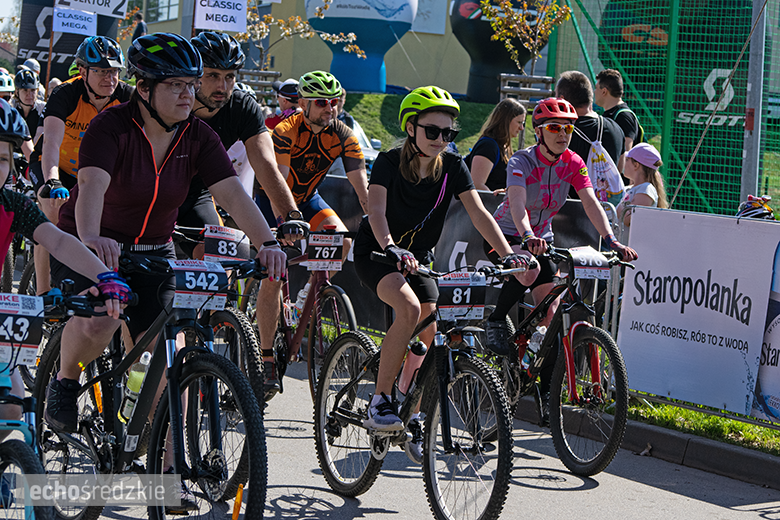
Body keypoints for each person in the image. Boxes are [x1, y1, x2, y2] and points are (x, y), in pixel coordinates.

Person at [42, 33, 286, 510]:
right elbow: (91, 184)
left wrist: (268, 243)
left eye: (191, 85)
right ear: (145, 89)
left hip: (155, 249)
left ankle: (168, 473)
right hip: (94, 248)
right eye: (175, 85)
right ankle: (66, 379)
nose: (188, 95)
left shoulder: (198, 136)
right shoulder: (111, 127)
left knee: (169, 355)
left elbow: (234, 195)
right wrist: (92, 240)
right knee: (102, 317)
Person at [352, 86, 527, 463]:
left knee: (432, 330)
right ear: (411, 128)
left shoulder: (453, 166)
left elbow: (479, 213)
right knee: (410, 309)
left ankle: (412, 411)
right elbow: (377, 211)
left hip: (417, 257)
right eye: (433, 131)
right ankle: (380, 401)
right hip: (378, 253)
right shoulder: (387, 161)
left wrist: (510, 254)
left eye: (448, 133)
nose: (441, 140)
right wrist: (390, 246)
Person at [484, 97, 637, 425]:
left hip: (543, 240)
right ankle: (497, 319)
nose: (562, 134)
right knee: (529, 270)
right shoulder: (522, 162)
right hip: (509, 235)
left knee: (552, 320)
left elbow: (592, 203)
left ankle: (544, 396)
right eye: (554, 128)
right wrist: (526, 236)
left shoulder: (573, 162)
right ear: (539, 132)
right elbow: (517, 203)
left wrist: (612, 240)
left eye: (567, 128)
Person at [0, 99, 127, 443]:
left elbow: (58, 242)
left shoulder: (13, 205)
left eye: (1, 159)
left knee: (11, 408)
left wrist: (105, 276)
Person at [186, 32, 304, 398]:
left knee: (213, 259)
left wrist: (289, 216)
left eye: (230, 77)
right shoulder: (176, 99)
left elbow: (266, 165)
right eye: (213, 76)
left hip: (202, 193)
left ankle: (199, 344)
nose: (222, 86)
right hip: (152, 194)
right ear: (193, 75)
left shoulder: (243, 107)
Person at [258, 70, 369, 396]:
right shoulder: (286, 129)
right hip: (273, 199)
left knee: (341, 237)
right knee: (273, 272)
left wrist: (377, 222)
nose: (329, 108)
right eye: (322, 102)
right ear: (304, 103)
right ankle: (266, 357)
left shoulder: (344, 135)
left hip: (308, 200)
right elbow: (279, 179)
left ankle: (311, 291)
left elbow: (362, 187)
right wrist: (284, 222)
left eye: (335, 102)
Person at [29, 35, 133, 294]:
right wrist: (52, 180)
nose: (110, 78)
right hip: (55, 166)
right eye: (101, 71)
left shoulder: (127, 97)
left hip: (95, 172)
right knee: (50, 217)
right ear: (83, 71)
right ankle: (43, 294)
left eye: (114, 72)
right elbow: (51, 142)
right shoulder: (66, 93)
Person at [555, 71, 624, 198]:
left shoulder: (561, 133)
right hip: (607, 210)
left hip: (569, 211)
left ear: (562, 100)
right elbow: (620, 168)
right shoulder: (616, 129)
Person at [464, 97, 526, 192]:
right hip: (485, 205)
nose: (522, 128)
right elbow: (476, 184)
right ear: (506, 121)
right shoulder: (488, 146)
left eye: (523, 123)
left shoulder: (504, 146)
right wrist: (497, 201)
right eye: (519, 122)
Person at [594, 69, 641, 173]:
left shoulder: (624, 116)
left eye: (596, 88)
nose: (594, 91)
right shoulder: (609, 113)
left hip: (618, 183)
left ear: (604, 91)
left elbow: (624, 158)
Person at [616, 142, 667, 228]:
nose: (624, 162)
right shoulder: (629, 189)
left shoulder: (646, 189)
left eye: (627, 160)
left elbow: (629, 219)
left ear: (636, 165)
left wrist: (614, 200)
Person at [11, 69, 46, 156]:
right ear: (17, 92)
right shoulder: (11, 107)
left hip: (34, 156)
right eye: (25, 90)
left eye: (33, 90)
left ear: (37, 91)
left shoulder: (43, 108)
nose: (29, 95)